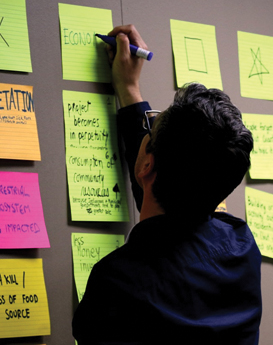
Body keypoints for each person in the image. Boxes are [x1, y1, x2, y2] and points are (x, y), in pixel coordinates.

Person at [72, 25, 262, 345]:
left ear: (147, 165)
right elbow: (166, 215)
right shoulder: (240, 247)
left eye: (151, 129)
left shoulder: (118, 282)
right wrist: (129, 88)